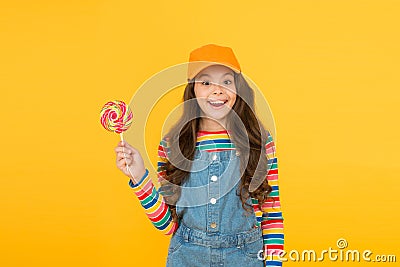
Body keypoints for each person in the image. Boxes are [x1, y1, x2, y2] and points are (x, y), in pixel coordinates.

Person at [114, 44, 284, 266]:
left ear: (238, 88)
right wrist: (139, 176)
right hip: (187, 257)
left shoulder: (259, 142)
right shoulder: (172, 145)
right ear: (192, 89)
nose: (217, 90)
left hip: (245, 257)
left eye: (226, 81)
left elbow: (272, 215)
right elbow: (167, 225)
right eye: (205, 82)